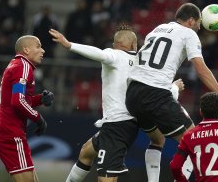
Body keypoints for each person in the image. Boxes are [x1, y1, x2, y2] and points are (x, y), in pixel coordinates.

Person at [125, 2, 218, 180]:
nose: (199, 28)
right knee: (197, 142)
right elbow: (201, 70)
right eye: (198, 24)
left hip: (133, 93)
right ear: (191, 21)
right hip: (155, 94)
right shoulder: (188, 33)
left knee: (158, 139)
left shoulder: (158, 28)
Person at [49, 26, 183, 182]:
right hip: (136, 117)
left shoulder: (114, 55)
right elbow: (159, 90)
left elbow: (98, 53)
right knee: (86, 152)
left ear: (114, 44)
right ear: (134, 45)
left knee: (106, 178)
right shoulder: (144, 63)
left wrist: (69, 44)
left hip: (117, 125)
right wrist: (174, 87)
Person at [0, 35, 54, 182]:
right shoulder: (23, 66)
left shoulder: (17, 64)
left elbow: (17, 99)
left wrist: (40, 99)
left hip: (9, 132)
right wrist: (38, 118)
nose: (43, 50)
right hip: (11, 134)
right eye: (38, 46)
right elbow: (17, 101)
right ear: (26, 50)